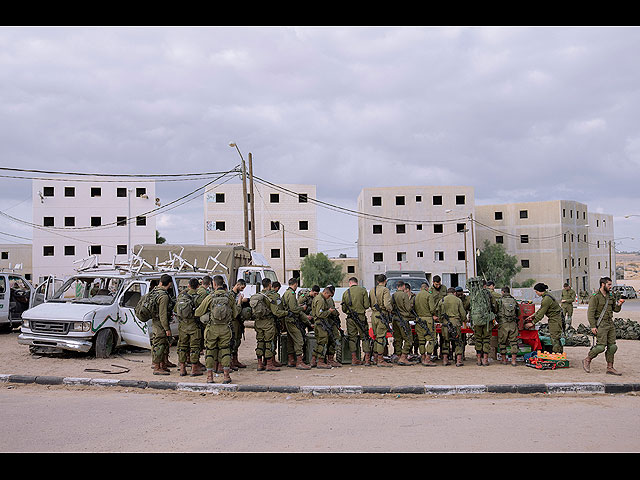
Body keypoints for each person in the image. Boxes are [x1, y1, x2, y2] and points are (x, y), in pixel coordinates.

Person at [194, 275, 238, 384]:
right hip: (225, 328)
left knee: (209, 351)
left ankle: (210, 377)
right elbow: (235, 314)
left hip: (212, 329)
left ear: (214, 284)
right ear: (222, 283)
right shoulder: (229, 297)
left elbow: (198, 312)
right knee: (226, 351)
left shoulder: (210, 297)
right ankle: (226, 376)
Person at [583, 277, 625, 375]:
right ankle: (587, 360)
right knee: (601, 347)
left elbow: (616, 309)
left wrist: (619, 304)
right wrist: (593, 326)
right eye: (609, 285)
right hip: (600, 324)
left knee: (612, 346)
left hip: (610, 323)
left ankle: (610, 367)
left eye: (611, 285)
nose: (610, 287)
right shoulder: (595, 296)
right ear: (603, 284)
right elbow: (590, 313)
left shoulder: (611, 295)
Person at [341, 277, 372, 366]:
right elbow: (366, 305)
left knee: (352, 338)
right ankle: (367, 359)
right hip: (361, 317)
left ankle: (354, 359)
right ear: (357, 282)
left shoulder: (346, 293)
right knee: (365, 337)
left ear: (349, 283)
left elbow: (343, 309)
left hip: (350, 319)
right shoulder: (363, 291)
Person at [524, 283, 564, 353]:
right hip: (555, 318)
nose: (536, 293)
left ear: (539, 291)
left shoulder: (546, 299)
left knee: (554, 338)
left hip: (555, 319)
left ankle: (557, 356)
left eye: (536, 292)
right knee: (555, 337)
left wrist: (532, 323)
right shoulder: (546, 296)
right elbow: (541, 309)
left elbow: (541, 314)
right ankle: (558, 354)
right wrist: (533, 315)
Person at [283, 278, 313, 370]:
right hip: (292, 320)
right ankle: (299, 362)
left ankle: (291, 360)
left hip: (288, 320)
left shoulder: (286, 293)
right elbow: (294, 309)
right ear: (295, 284)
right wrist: (302, 308)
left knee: (290, 340)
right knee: (299, 339)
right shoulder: (291, 294)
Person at [176, 278, 204, 377]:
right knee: (194, 347)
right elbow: (202, 310)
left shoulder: (181, 297)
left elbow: (176, 310)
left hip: (183, 325)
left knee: (182, 346)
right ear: (198, 286)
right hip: (194, 325)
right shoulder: (199, 297)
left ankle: (182, 369)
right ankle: (194, 369)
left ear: (188, 285)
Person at [468, 277, 497, 366]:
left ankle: (478, 359)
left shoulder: (472, 294)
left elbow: (467, 306)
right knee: (486, 339)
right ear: (484, 285)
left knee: (478, 339)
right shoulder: (488, 294)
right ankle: (485, 360)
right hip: (486, 321)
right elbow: (494, 306)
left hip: (476, 321)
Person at [437, 287, 467, 367]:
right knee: (458, 341)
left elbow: (439, 314)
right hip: (455, 323)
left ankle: (445, 360)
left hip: (445, 324)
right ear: (454, 293)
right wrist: (464, 320)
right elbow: (463, 313)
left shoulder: (442, 300)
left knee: (445, 341)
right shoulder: (458, 300)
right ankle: (458, 360)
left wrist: (441, 321)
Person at [311, 286, 339, 369]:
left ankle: (313, 360)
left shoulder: (320, 298)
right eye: (329, 295)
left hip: (320, 323)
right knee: (323, 341)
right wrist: (329, 311)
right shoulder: (320, 300)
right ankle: (320, 361)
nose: (329, 297)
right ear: (325, 293)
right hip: (320, 323)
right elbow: (319, 314)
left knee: (319, 342)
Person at [150, 274, 174, 375]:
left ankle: (162, 364)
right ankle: (157, 367)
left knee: (160, 343)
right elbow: (163, 314)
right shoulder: (163, 296)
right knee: (159, 344)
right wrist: (167, 328)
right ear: (169, 284)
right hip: (160, 323)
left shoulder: (154, 291)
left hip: (155, 321)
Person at [369, 274, 393, 367]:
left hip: (374, 315)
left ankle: (375, 358)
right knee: (381, 337)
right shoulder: (385, 290)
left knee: (375, 336)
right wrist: (390, 309)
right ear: (385, 281)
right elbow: (387, 304)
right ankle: (380, 359)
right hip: (382, 315)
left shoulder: (372, 290)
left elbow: (369, 303)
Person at [391, 281, 414, 365]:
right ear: (403, 286)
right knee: (408, 338)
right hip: (403, 319)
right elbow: (408, 308)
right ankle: (403, 357)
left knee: (397, 338)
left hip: (395, 319)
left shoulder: (393, 295)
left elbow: (391, 307)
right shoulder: (404, 295)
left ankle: (398, 355)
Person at [496, 286, 520, 366]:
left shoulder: (500, 301)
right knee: (513, 342)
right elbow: (518, 313)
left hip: (503, 324)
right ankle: (513, 361)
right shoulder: (514, 301)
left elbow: (496, 311)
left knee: (502, 342)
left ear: (502, 292)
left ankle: (504, 360)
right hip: (513, 324)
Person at [414, 281, 436, 366]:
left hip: (419, 319)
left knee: (421, 340)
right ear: (427, 288)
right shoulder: (429, 295)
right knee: (431, 339)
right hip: (427, 320)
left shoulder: (416, 296)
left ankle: (423, 357)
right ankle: (428, 359)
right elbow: (432, 309)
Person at [230, 279, 249, 370]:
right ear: (237, 285)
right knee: (233, 341)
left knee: (237, 340)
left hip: (238, 321)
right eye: (241, 287)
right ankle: (231, 362)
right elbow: (234, 308)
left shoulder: (237, 294)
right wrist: (240, 301)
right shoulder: (231, 295)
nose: (242, 289)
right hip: (233, 320)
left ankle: (235, 360)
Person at [427, 275, 448, 359]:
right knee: (434, 336)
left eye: (439, 284)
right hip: (434, 314)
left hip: (442, 314)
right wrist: (432, 316)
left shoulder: (444, 288)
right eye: (436, 285)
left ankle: (443, 353)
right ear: (433, 283)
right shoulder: (430, 290)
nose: (438, 286)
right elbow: (429, 304)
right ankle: (434, 352)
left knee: (443, 335)